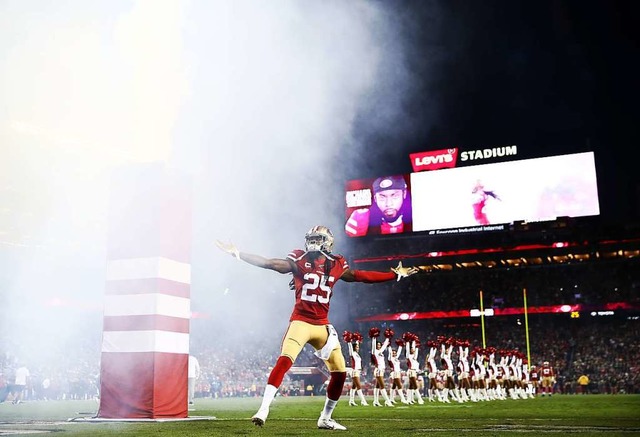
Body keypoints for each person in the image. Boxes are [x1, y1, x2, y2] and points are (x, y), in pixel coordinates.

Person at [215, 225, 418, 431]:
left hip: (322, 325)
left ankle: (325, 418)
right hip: (301, 322)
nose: (313, 242)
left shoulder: (336, 263)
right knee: (285, 359)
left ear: (328, 242)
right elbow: (270, 263)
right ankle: (264, 409)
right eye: (311, 238)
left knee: (340, 371)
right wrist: (238, 254)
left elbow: (361, 276)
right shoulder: (299, 259)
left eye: (318, 238)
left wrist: (394, 275)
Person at [345, 175, 412, 237]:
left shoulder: (416, 215)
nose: (388, 204)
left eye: (394, 196)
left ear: (404, 194)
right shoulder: (361, 219)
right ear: (375, 198)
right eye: (382, 197)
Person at [369, 327, 394, 407]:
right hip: (378, 370)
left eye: (380, 345)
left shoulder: (380, 351)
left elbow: (385, 345)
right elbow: (373, 346)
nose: (379, 346)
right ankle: (387, 401)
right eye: (378, 345)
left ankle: (375, 401)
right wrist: (374, 338)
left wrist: (387, 338)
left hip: (382, 370)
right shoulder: (375, 352)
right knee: (382, 386)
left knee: (377, 386)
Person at [344, 331, 368, 406]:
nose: (358, 348)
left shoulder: (357, 354)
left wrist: (358, 339)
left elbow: (357, 344)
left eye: (358, 347)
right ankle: (363, 401)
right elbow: (350, 347)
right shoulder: (353, 354)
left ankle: (351, 401)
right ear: (354, 348)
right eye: (357, 347)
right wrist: (349, 341)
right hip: (354, 371)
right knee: (359, 386)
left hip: (358, 371)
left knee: (354, 386)